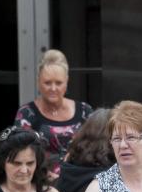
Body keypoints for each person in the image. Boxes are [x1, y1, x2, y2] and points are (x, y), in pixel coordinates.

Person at [14, 49, 93, 177]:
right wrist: (44, 176)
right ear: (38, 81)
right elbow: (21, 154)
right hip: (42, 183)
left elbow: (97, 149)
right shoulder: (26, 114)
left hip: (81, 181)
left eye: (58, 83)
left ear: (67, 81)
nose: (53, 88)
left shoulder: (85, 111)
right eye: (47, 82)